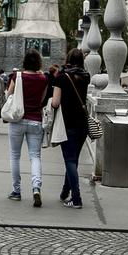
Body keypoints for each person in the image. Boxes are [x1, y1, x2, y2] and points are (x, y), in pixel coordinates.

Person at [6, 51, 49, 206]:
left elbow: (9, 95)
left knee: (15, 156)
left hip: (18, 119)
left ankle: (16, 191)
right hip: (36, 120)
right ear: (38, 62)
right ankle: (36, 188)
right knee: (35, 156)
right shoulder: (43, 78)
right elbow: (43, 99)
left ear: (24, 61)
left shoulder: (17, 77)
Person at [48, 48, 89, 209]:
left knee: (70, 160)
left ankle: (76, 198)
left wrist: (50, 102)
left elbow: (56, 102)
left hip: (68, 123)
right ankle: (65, 192)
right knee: (73, 159)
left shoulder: (62, 78)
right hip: (82, 124)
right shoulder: (86, 76)